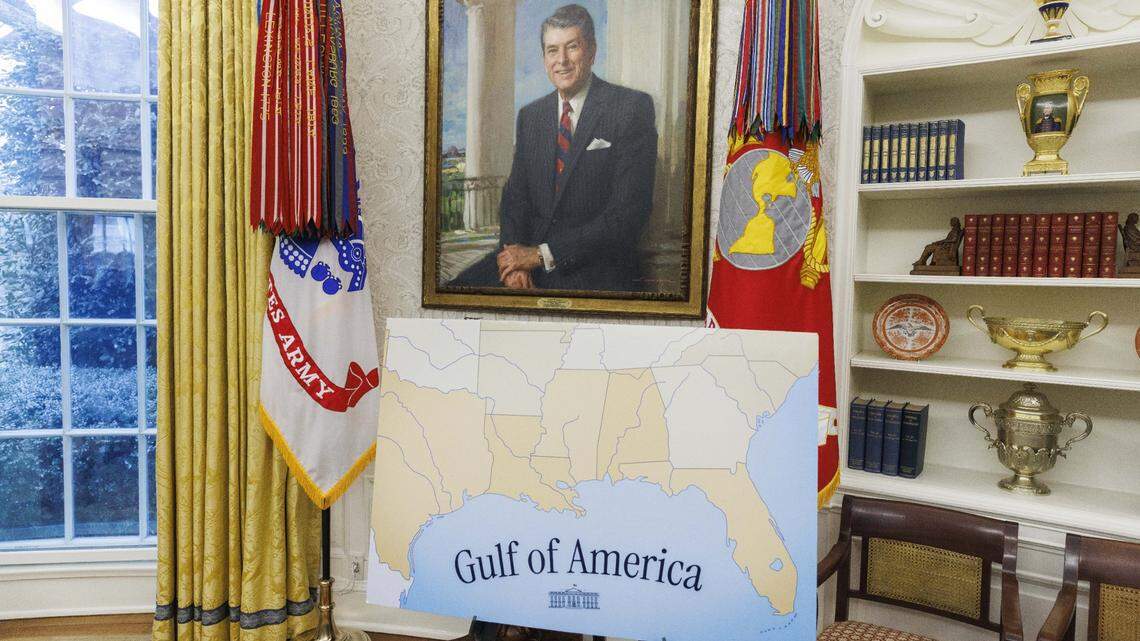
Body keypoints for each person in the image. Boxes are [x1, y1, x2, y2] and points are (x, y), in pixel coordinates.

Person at [450, 4, 657, 292]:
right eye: (552, 50)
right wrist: (512, 262)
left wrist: (539, 255)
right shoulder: (531, 116)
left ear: (592, 51)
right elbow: (515, 200)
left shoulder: (630, 108)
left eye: (572, 47)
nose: (562, 60)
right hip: (528, 262)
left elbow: (627, 214)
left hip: (594, 266)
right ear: (544, 58)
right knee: (455, 292)